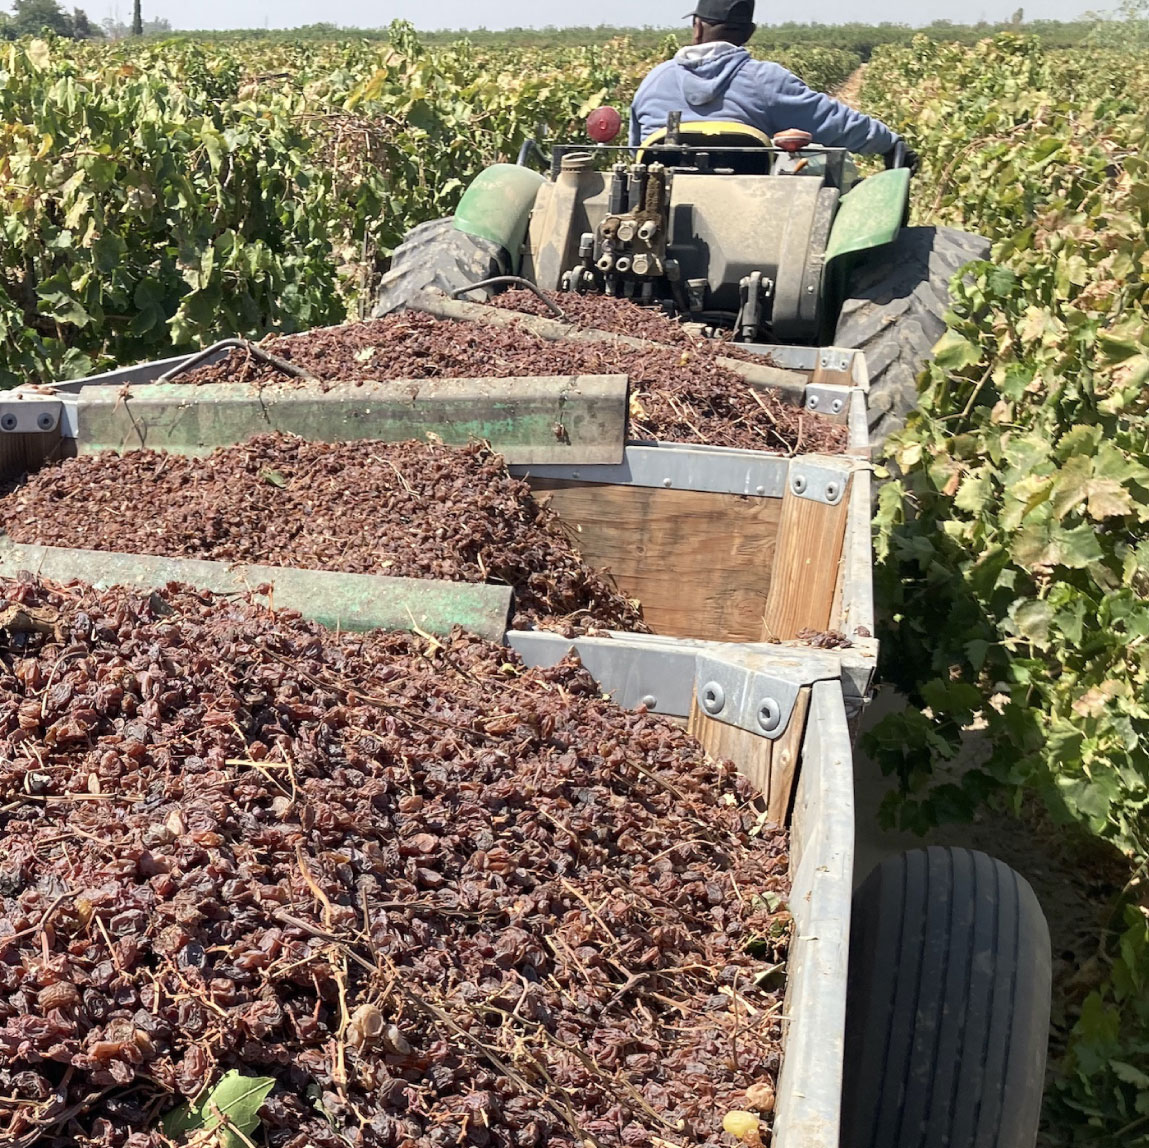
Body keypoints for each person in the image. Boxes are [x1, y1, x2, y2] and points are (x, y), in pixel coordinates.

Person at [627, 0, 918, 171]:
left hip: (660, 208)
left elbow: (635, 149)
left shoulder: (654, 81)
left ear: (697, 27)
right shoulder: (766, 80)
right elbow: (835, 123)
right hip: (751, 209)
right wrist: (889, 143)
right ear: (749, 33)